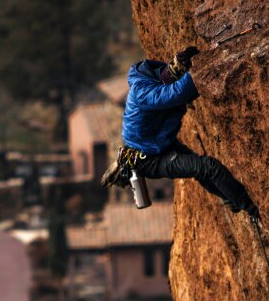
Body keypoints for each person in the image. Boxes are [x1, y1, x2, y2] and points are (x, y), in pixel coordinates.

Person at [102, 46, 259, 219]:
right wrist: (199, 70)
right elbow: (173, 93)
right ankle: (254, 210)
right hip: (150, 160)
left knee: (202, 170)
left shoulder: (148, 81)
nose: (172, 77)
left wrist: (179, 63)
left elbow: (167, 82)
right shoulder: (143, 92)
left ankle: (231, 198)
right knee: (209, 167)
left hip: (156, 144)